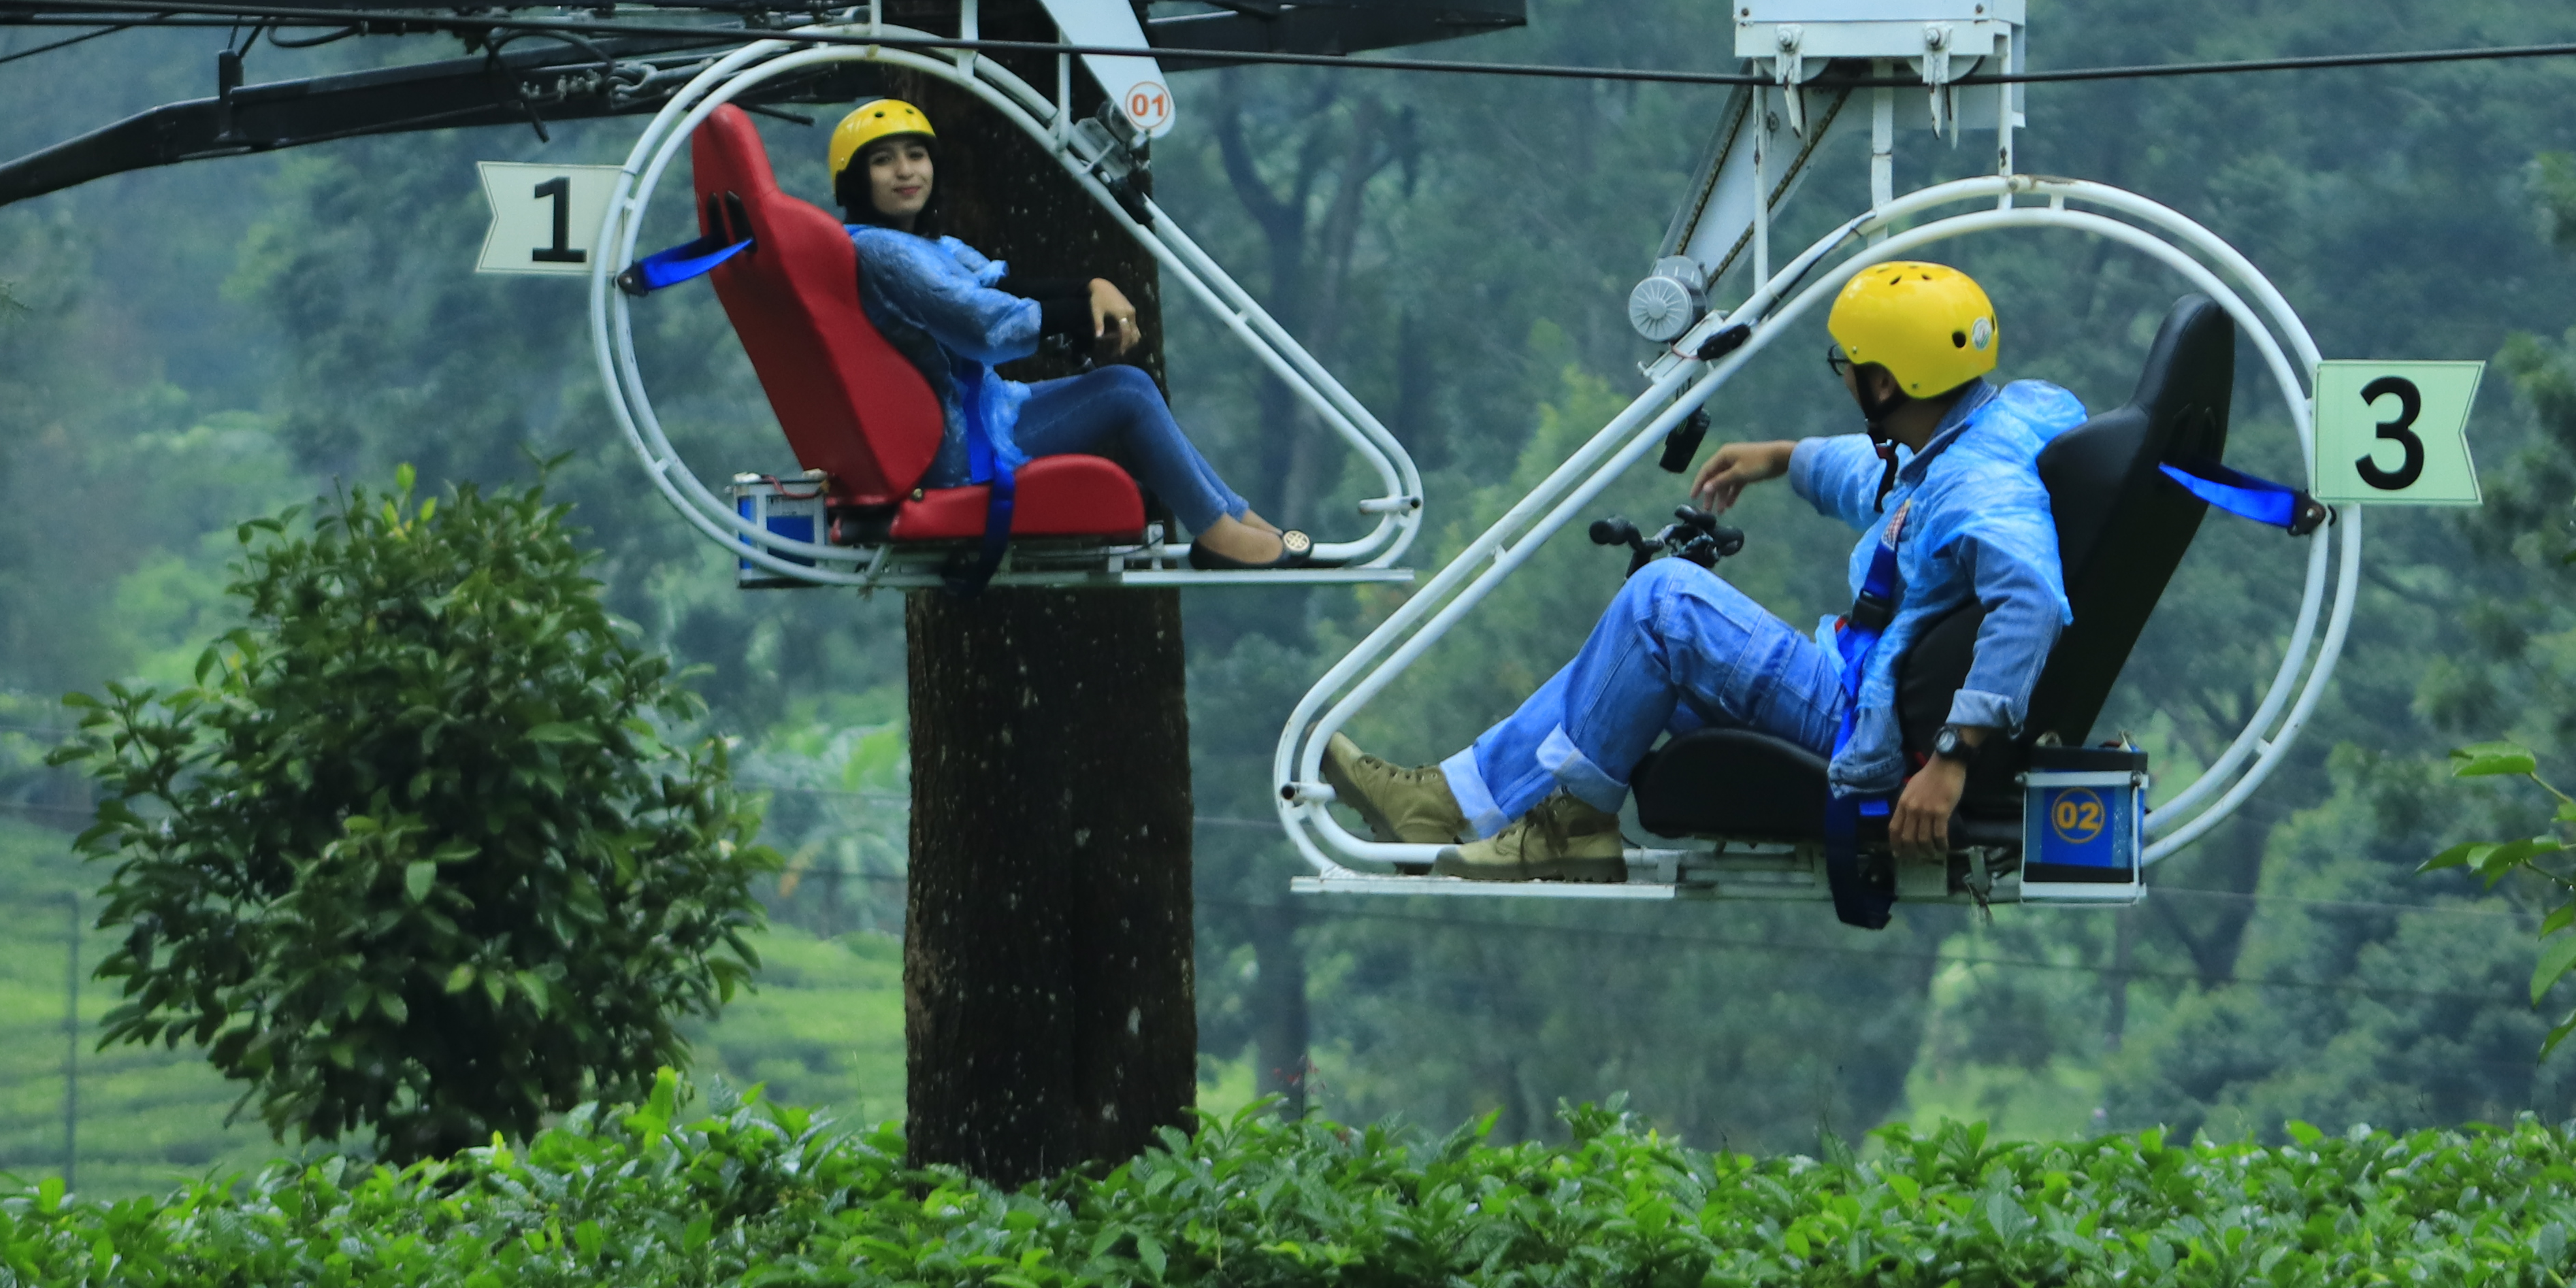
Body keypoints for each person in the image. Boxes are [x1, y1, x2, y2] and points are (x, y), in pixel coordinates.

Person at [1322, 261, 2081, 880]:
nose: (1842, 379)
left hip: (1868, 727)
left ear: (1884, 384)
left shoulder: (1983, 489)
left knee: (1664, 602)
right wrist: (1783, 458)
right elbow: (1895, 482)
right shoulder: (1988, 433)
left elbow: (2031, 603)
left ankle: (1575, 830)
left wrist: (1950, 761)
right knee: (1624, 661)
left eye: (1845, 367)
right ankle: (1447, 801)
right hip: (1865, 683)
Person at [823, 98, 1326, 569]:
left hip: (983, 413)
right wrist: (1079, 316)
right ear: (854, 180)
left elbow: (1002, 280)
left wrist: (1092, 288)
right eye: (883, 161)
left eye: (916, 155)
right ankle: (1221, 535)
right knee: (1126, 393)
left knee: (1129, 387)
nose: (907, 171)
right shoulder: (881, 251)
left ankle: (1233, 521)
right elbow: (978, 318)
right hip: (961, 447)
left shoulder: (926, 246)